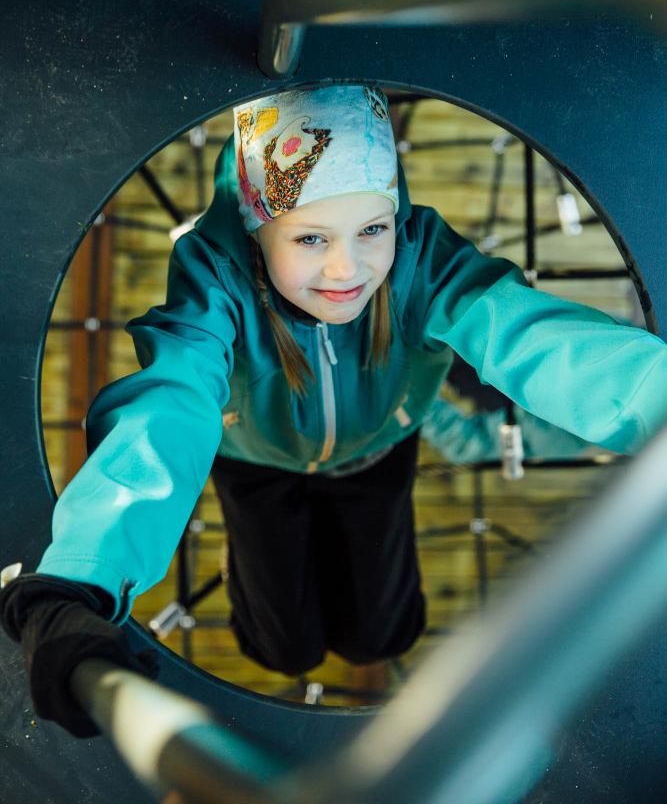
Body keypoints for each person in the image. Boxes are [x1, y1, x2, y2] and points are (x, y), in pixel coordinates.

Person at [2, 83, 667, 737]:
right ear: (257, 232)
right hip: (256, 462)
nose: (348, 268)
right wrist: (84, 576)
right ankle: (256, 591)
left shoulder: (420, 262)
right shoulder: (218, 281)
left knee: (382, 634)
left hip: (376, 453)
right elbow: (170, 404)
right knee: (281, 647)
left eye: (372, 228)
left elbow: (530, 337)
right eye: (310, 239)